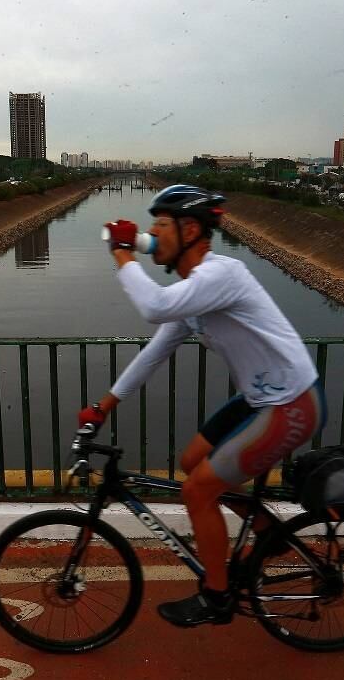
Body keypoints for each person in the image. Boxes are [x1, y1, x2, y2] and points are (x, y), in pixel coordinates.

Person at [78, 184, 326, 627]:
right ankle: (270, 533)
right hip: (259, 399)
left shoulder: (221, 276)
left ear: (190, 229)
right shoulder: (196, 292)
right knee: (192, 461)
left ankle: (217, 596)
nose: (151, 232)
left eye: (159, 225)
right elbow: (155, 351)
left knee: (198, 491)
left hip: (292, 404)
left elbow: (154, 306)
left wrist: (122, 252)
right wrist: (104, 404)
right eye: (149, 227)